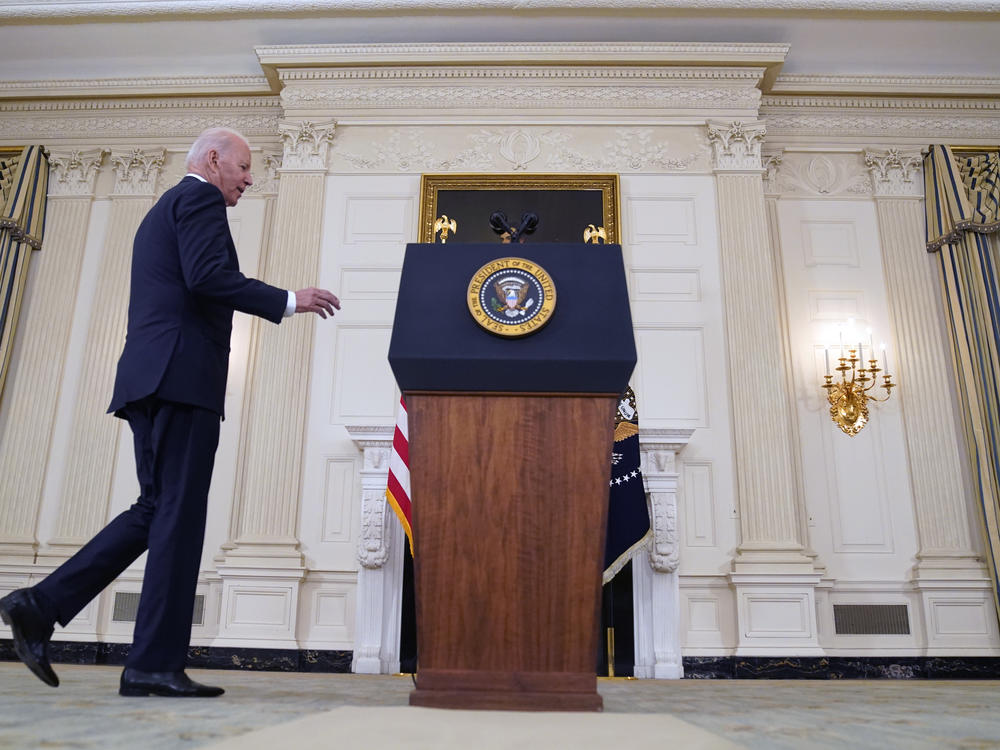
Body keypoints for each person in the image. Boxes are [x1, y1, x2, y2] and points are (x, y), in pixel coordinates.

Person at [0, 127, 340, 698]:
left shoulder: (167, 206)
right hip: (182, 379)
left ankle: (42, 606)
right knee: (177, 517)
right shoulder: (198, 197)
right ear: (213, 161)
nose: (249, 179)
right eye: (244, 167)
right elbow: (208, 277)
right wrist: (289, 300)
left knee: (158, 509)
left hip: (153, 377)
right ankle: (151, 662)